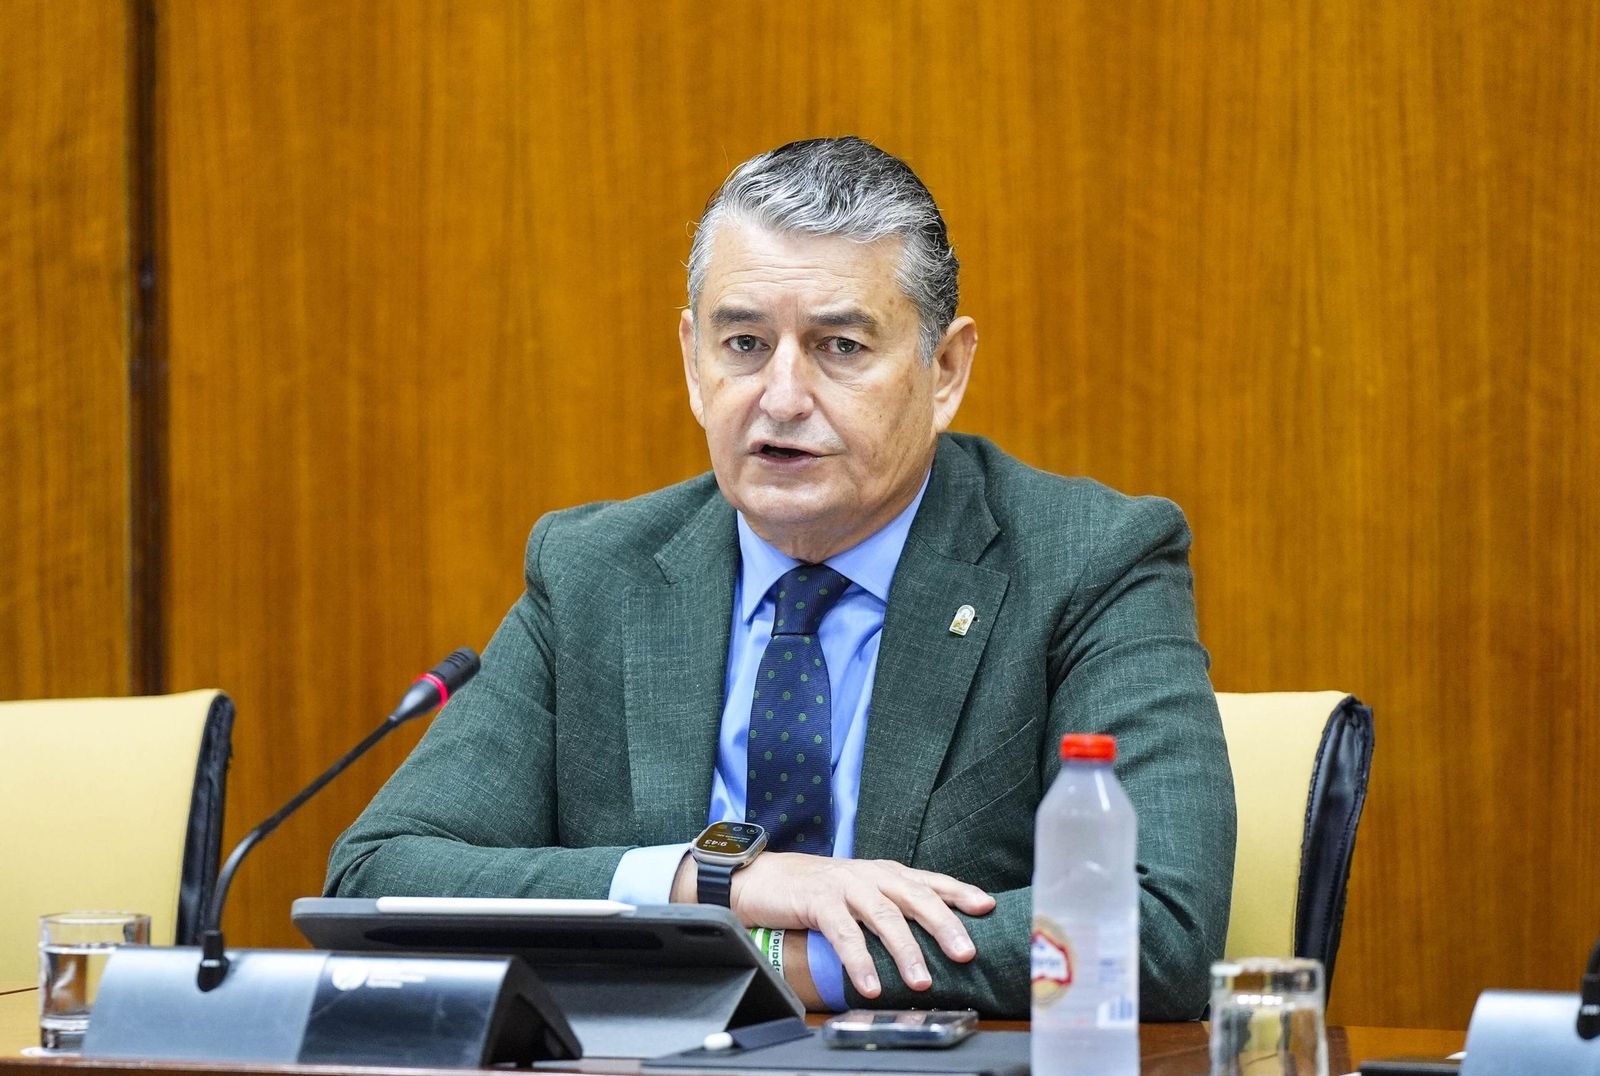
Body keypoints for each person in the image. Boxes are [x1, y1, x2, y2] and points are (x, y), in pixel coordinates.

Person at [326, 137, 1235, 1020]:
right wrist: (715, 879)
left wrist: (772, 957)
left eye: (841, 347)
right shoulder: (594, 573)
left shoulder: (1088, 559)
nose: (784, 396)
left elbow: (1153, 926)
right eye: (745, 344)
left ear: (946, 369)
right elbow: (382, 874)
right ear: (693, 360)